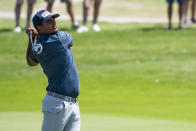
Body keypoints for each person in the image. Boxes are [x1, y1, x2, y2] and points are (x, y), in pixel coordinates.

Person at [26, 10, 80, 131]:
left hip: (72, 104)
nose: (54, 23)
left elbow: (31, 62)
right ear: (39, 27)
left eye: (53, 19)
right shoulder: (61, 38)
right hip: (57, 104)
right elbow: (70, 39)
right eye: (48, 22)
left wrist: (32, 39)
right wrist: (37, 36)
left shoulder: (37, 46)